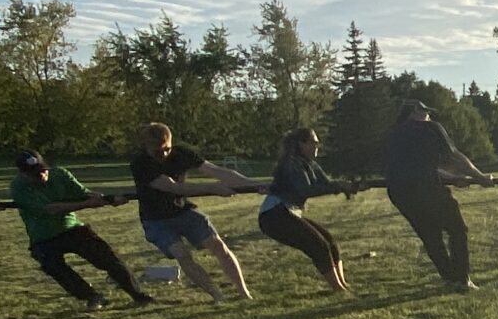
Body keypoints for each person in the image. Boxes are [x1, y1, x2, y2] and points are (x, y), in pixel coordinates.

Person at [129, 123, 259, 302]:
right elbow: (174, 188)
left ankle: (244, 293)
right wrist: (212, 188)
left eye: (167, 149)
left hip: (183, 211)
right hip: (156, 220)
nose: (164, 155)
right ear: (146, 147)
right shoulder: (140, 164)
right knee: (182, 254)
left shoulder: (181, 153)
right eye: (158, 152)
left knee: (218, 246)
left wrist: (255, 185)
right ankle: (217, 295)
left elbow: (216, 171)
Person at [10, 151, 152, 309]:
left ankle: (138, 295)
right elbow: (51, 209)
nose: (42, 176)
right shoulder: (18, 187)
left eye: (43, 171)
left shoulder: (60, 174)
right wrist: (87, 204)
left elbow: (84, 193)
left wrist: (108, 199)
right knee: (52, 266)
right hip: (43, 236)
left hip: (71, 227)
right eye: (35, 175)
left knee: (108, 258)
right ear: (23, 174)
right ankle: (92, 296)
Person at [383, 97, 491, 291]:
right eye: (426, 112)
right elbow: (454, 156)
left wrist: (452, 178)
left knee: (431, 237)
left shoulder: (394, 134)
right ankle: (462, 279)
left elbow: (418, 166)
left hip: (399, 192)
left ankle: (450, 278)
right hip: (426, 188)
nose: (429, 116)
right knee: (457, 229)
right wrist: (480, 177)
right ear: (415, 112)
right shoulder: (431, 128)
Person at [259, 126, 357, 294]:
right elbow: (306, 190)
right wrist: (339, 186)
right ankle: (338, 289)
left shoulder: (311, 164)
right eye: (314, 143)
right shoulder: (291, 164)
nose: (317, 146)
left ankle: (342, 285)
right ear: (301, 144)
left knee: (329, 241)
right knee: (318, 245)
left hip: (288, 212)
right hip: (274, 216)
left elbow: (326, 184)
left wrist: (347, 186)